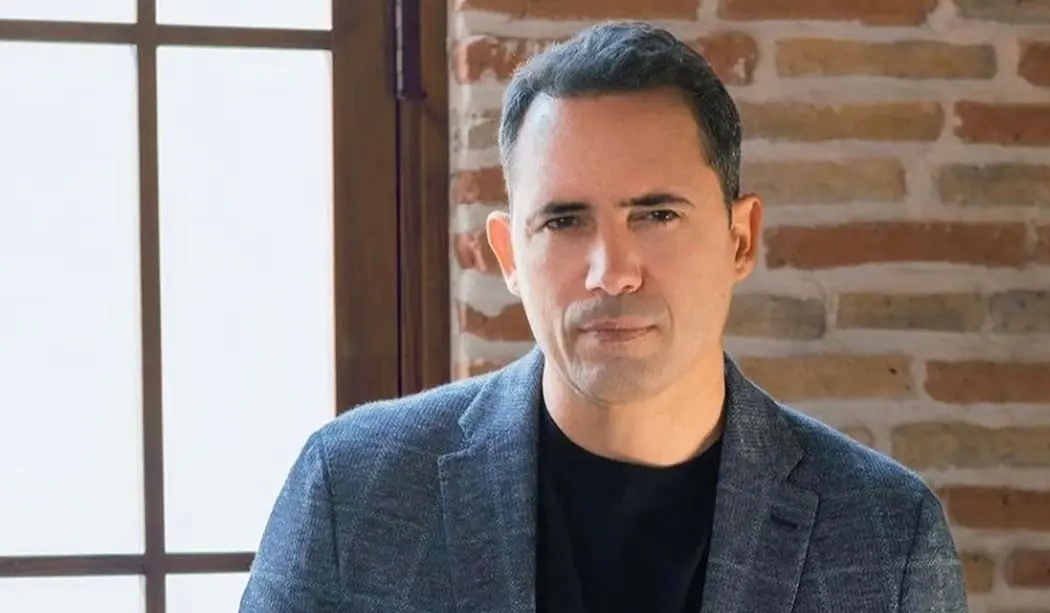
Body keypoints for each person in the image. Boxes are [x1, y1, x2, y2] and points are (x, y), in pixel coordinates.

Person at [239, 21, 968, 613]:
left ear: (740, 239)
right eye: (564, 220)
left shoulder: (885, 533)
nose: (610, 271)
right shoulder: (353, 489)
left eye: (656, 214)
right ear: (509, 255)